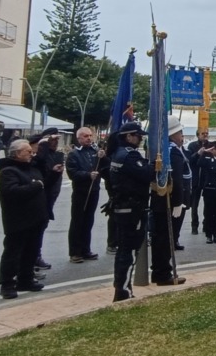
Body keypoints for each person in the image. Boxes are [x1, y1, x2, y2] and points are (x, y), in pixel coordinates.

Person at [0, 139, 47, 299]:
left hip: (36, 219)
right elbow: (11, 192)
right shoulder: (8, 172)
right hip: (18, 220)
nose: (32, 154)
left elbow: (44, 183)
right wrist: (35, 186)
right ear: (17, 153)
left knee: (31, 252)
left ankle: (25, 279)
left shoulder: (32, 168)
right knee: (13, 253)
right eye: (28, 151)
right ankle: (7, 284)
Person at [108, 121, 151, 300]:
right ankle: (123, 290)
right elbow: (147, 174)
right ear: (129, 136)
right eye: (138, 136)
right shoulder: (129, 155)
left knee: (123, 250)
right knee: (129, 251)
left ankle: (121, 288)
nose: (140, 139)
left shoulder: (118, 153)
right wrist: (155, 164)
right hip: (132, 208)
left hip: (123, 206)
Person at [151, 117, 191, 284]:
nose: (182, 136)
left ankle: (158, 271)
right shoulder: (172, 152)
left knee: (162, 237)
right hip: (172, 201)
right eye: (180, 132)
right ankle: (163, 273)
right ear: (173, 134)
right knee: (167, 238)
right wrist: (178, 202)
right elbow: (177, 180)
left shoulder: (164, 149)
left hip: (163, 200)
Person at [66, 127, 104, 263]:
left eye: (90, 135)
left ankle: (85, 249)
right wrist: (87, 175)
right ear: (79, 138)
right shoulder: (74, 154)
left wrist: (103, 157)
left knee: (89, 221)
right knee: (78, 221)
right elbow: (72, 173)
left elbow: (103, 167)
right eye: (85, 136)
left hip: (94, 190)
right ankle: (75, 252)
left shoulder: (95, 151)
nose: (89, 138)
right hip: (80, 191)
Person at [32, 128, 64, 270]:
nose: (56, 142)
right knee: (35, 229)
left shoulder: (57, 155)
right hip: (40, 196)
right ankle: (34, 257)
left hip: (51, 196)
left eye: (57, 139)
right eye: (53, 139)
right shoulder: (41, 154)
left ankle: (35, 256)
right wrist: (44, 142)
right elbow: (40, 163)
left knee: (41, 228)